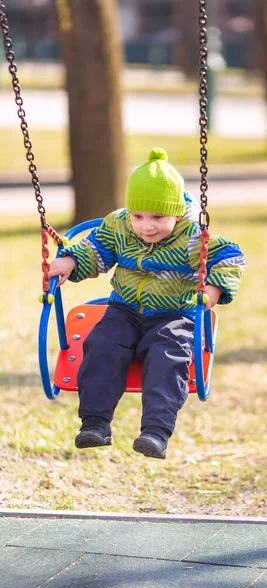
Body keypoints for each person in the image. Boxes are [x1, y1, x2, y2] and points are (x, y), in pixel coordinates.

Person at [49, 148, 245, 460]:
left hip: (174, 314)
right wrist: (71, 261)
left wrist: (213, 289)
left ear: (177, 213)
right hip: (123, 310)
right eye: (138, 216)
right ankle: (95, 423)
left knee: (169, 358)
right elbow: (95, 249)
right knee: (101, 346)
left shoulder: (192, 236)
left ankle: (156, 431)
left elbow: (230, 256)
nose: (146, 226)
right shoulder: (119, 226)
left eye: (158, 217)